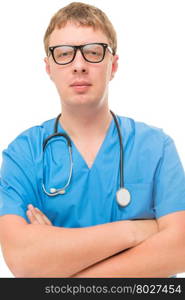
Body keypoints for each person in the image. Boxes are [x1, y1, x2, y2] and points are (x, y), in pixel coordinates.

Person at [0, 2, 185, 278]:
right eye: (63, 54)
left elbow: (179, 249)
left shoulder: (156, 148)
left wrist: (64, 275)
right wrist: (137, 230)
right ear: (49, 68)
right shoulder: (23, 155)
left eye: (93, 53)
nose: (79, 65)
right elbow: (23, 260)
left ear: (114, 65)